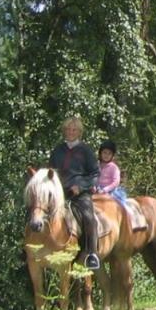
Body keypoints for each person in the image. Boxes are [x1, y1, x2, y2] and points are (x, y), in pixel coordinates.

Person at [48, 116, 102, 270]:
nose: (71, 132)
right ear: (64, 131)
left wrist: (81, 186)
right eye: (68, 129)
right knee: (36, 209)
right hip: (59, 192)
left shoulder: (86, 150)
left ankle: (92, 254)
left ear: (79, 132)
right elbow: (50, 171)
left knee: (89, 217)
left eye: (74, 130)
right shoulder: (58, 150)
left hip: (79, 193)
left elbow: (95, 174)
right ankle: (28, 249)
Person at [96, 140, 128, 205]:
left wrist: (105, 190)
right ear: (100, 153)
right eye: (104, 153)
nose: (106, 155)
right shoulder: (97, 165)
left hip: (111, 191)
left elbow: (116, 182)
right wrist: (94, 187)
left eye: (109, 153)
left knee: (120, 205)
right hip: (97, 190)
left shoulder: (113, 167)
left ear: (112, 155)